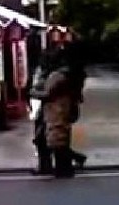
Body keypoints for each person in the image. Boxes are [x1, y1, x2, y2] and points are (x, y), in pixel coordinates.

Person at [31, 46, 88, 178]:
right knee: (50, 138)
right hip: (59, 109)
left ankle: (61, 168)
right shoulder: (69, 74)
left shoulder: (58, 75)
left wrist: (32, 92)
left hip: (55, 110)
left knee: (55, 139)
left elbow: (47, 93)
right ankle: (59, 166)